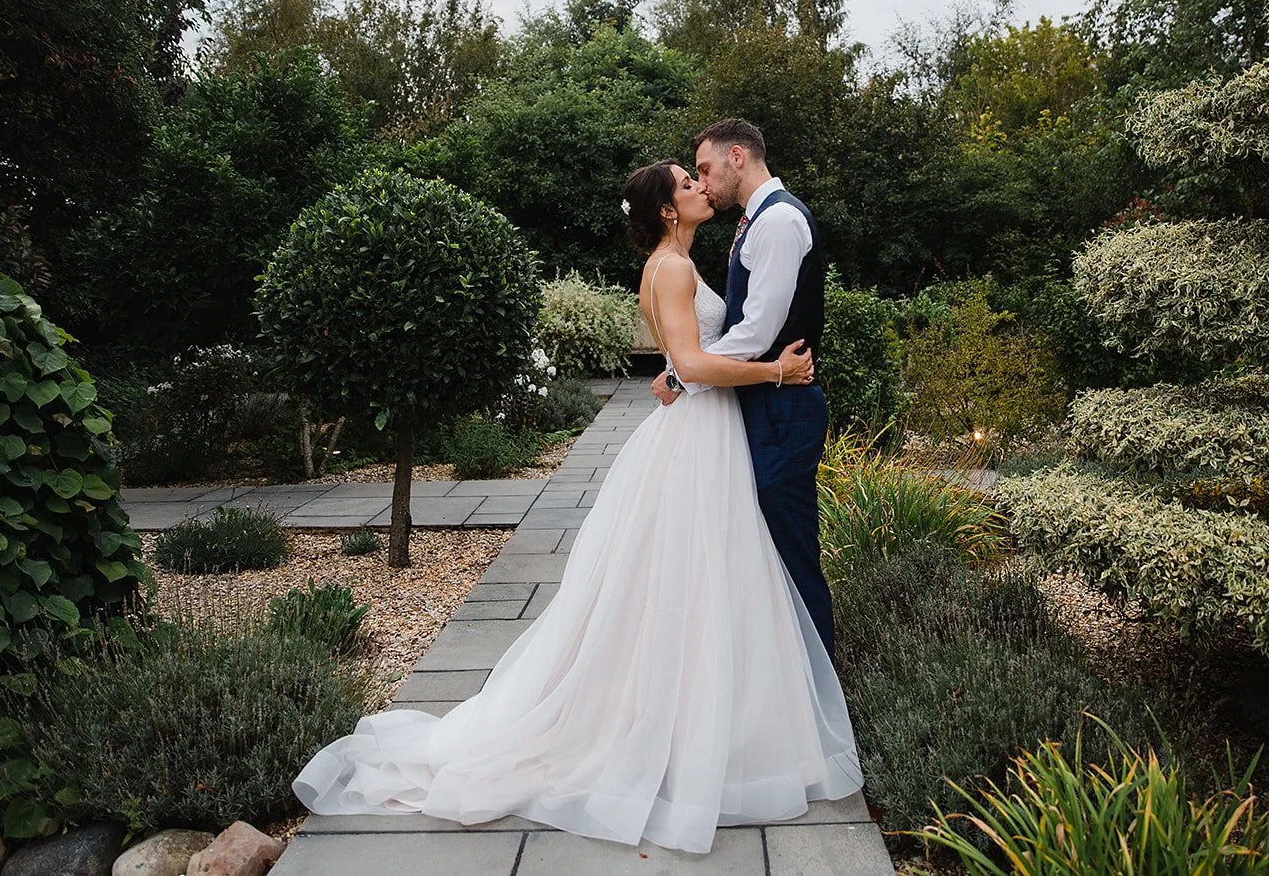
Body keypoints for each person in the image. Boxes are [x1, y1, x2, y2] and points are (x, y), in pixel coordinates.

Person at [292, 159, 862, 855]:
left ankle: (702, 717)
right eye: (687, 184)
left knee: (690, 583)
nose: (699, 188)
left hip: (700, 432)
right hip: (699, 437)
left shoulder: (669, 263)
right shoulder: (674, 268)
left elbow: (683, 362)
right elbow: (697, 362)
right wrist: (777, 369)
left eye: (697, 177)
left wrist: (683, 372)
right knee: (697, 579)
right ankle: (693, 728)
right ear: (665, 211)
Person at [654, 118, 835, 657]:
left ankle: (819, 692)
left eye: (705, 169)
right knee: (763, 559)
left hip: (784, 406)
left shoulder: (778, 221)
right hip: (763, 403)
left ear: (738, 156)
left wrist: (684, 374)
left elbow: (756, 330)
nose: (703, 182)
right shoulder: (753, 222)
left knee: (791, 554)